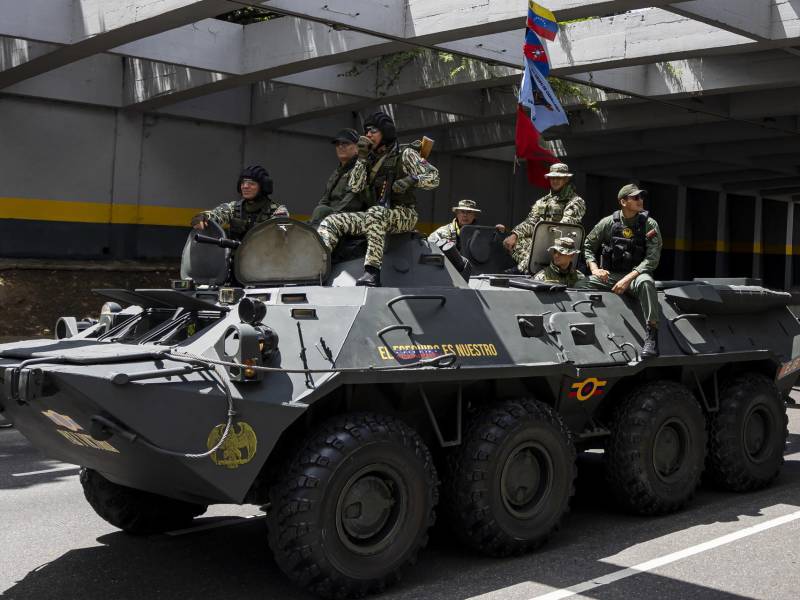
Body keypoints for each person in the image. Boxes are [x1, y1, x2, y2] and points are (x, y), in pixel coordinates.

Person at [317, 111, 440, 286]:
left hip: (404, 214)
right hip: (376, 215)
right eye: (366, 131)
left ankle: (372, 272)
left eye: (373, 130)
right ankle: (317, 268)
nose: (368, 134)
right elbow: (355, 187)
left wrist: (412, 179)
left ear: (385, 132)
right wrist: (361, 158)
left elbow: (433, 178)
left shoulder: (405, 154)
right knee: (332, 221)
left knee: (376, 213)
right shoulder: (369, 158)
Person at [578, 183, 662, 358]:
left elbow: (652, 259)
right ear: (623, 202)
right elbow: (588, 245)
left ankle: (652, 335)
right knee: (580, 284)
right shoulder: (608, 223)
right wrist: (595, 269)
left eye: (641, 197)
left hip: (637, 276)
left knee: (647, 283)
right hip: (611, 275)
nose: (640, 200)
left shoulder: (649, 224)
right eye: (635, 197)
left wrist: (627, 279)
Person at [496, 162, 585, 274]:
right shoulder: (543, 201)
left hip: (562, 245)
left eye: (559, 178)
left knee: (534, 248)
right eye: (552, 178)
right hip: (542, 241)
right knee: (512, 241)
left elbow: (565, 227)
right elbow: (531, 222)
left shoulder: (576, 201)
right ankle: (534, 269)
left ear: (566, 179)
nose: (555, 181)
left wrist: (540, 242)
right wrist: (515, 235)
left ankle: (523, 269)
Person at [191, 165, 288, 240]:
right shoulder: (234, 208)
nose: (245, 186)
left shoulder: (278, 211)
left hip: (264, 258)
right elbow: (217, 214)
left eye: (251, 183)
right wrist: (203, 217)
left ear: (263, 187)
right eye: (243, 183)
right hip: (235, 257)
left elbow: (281, 235)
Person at [309, 129, 371, 227]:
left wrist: (332, 216)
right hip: (331, 215)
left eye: (346, 143)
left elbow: (352, 201)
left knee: (320, 212)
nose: (340, 147)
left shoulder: (359, 170)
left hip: (349, 217)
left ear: (357, 147)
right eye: (338, 144)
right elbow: (325, 199)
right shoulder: (337, 172)